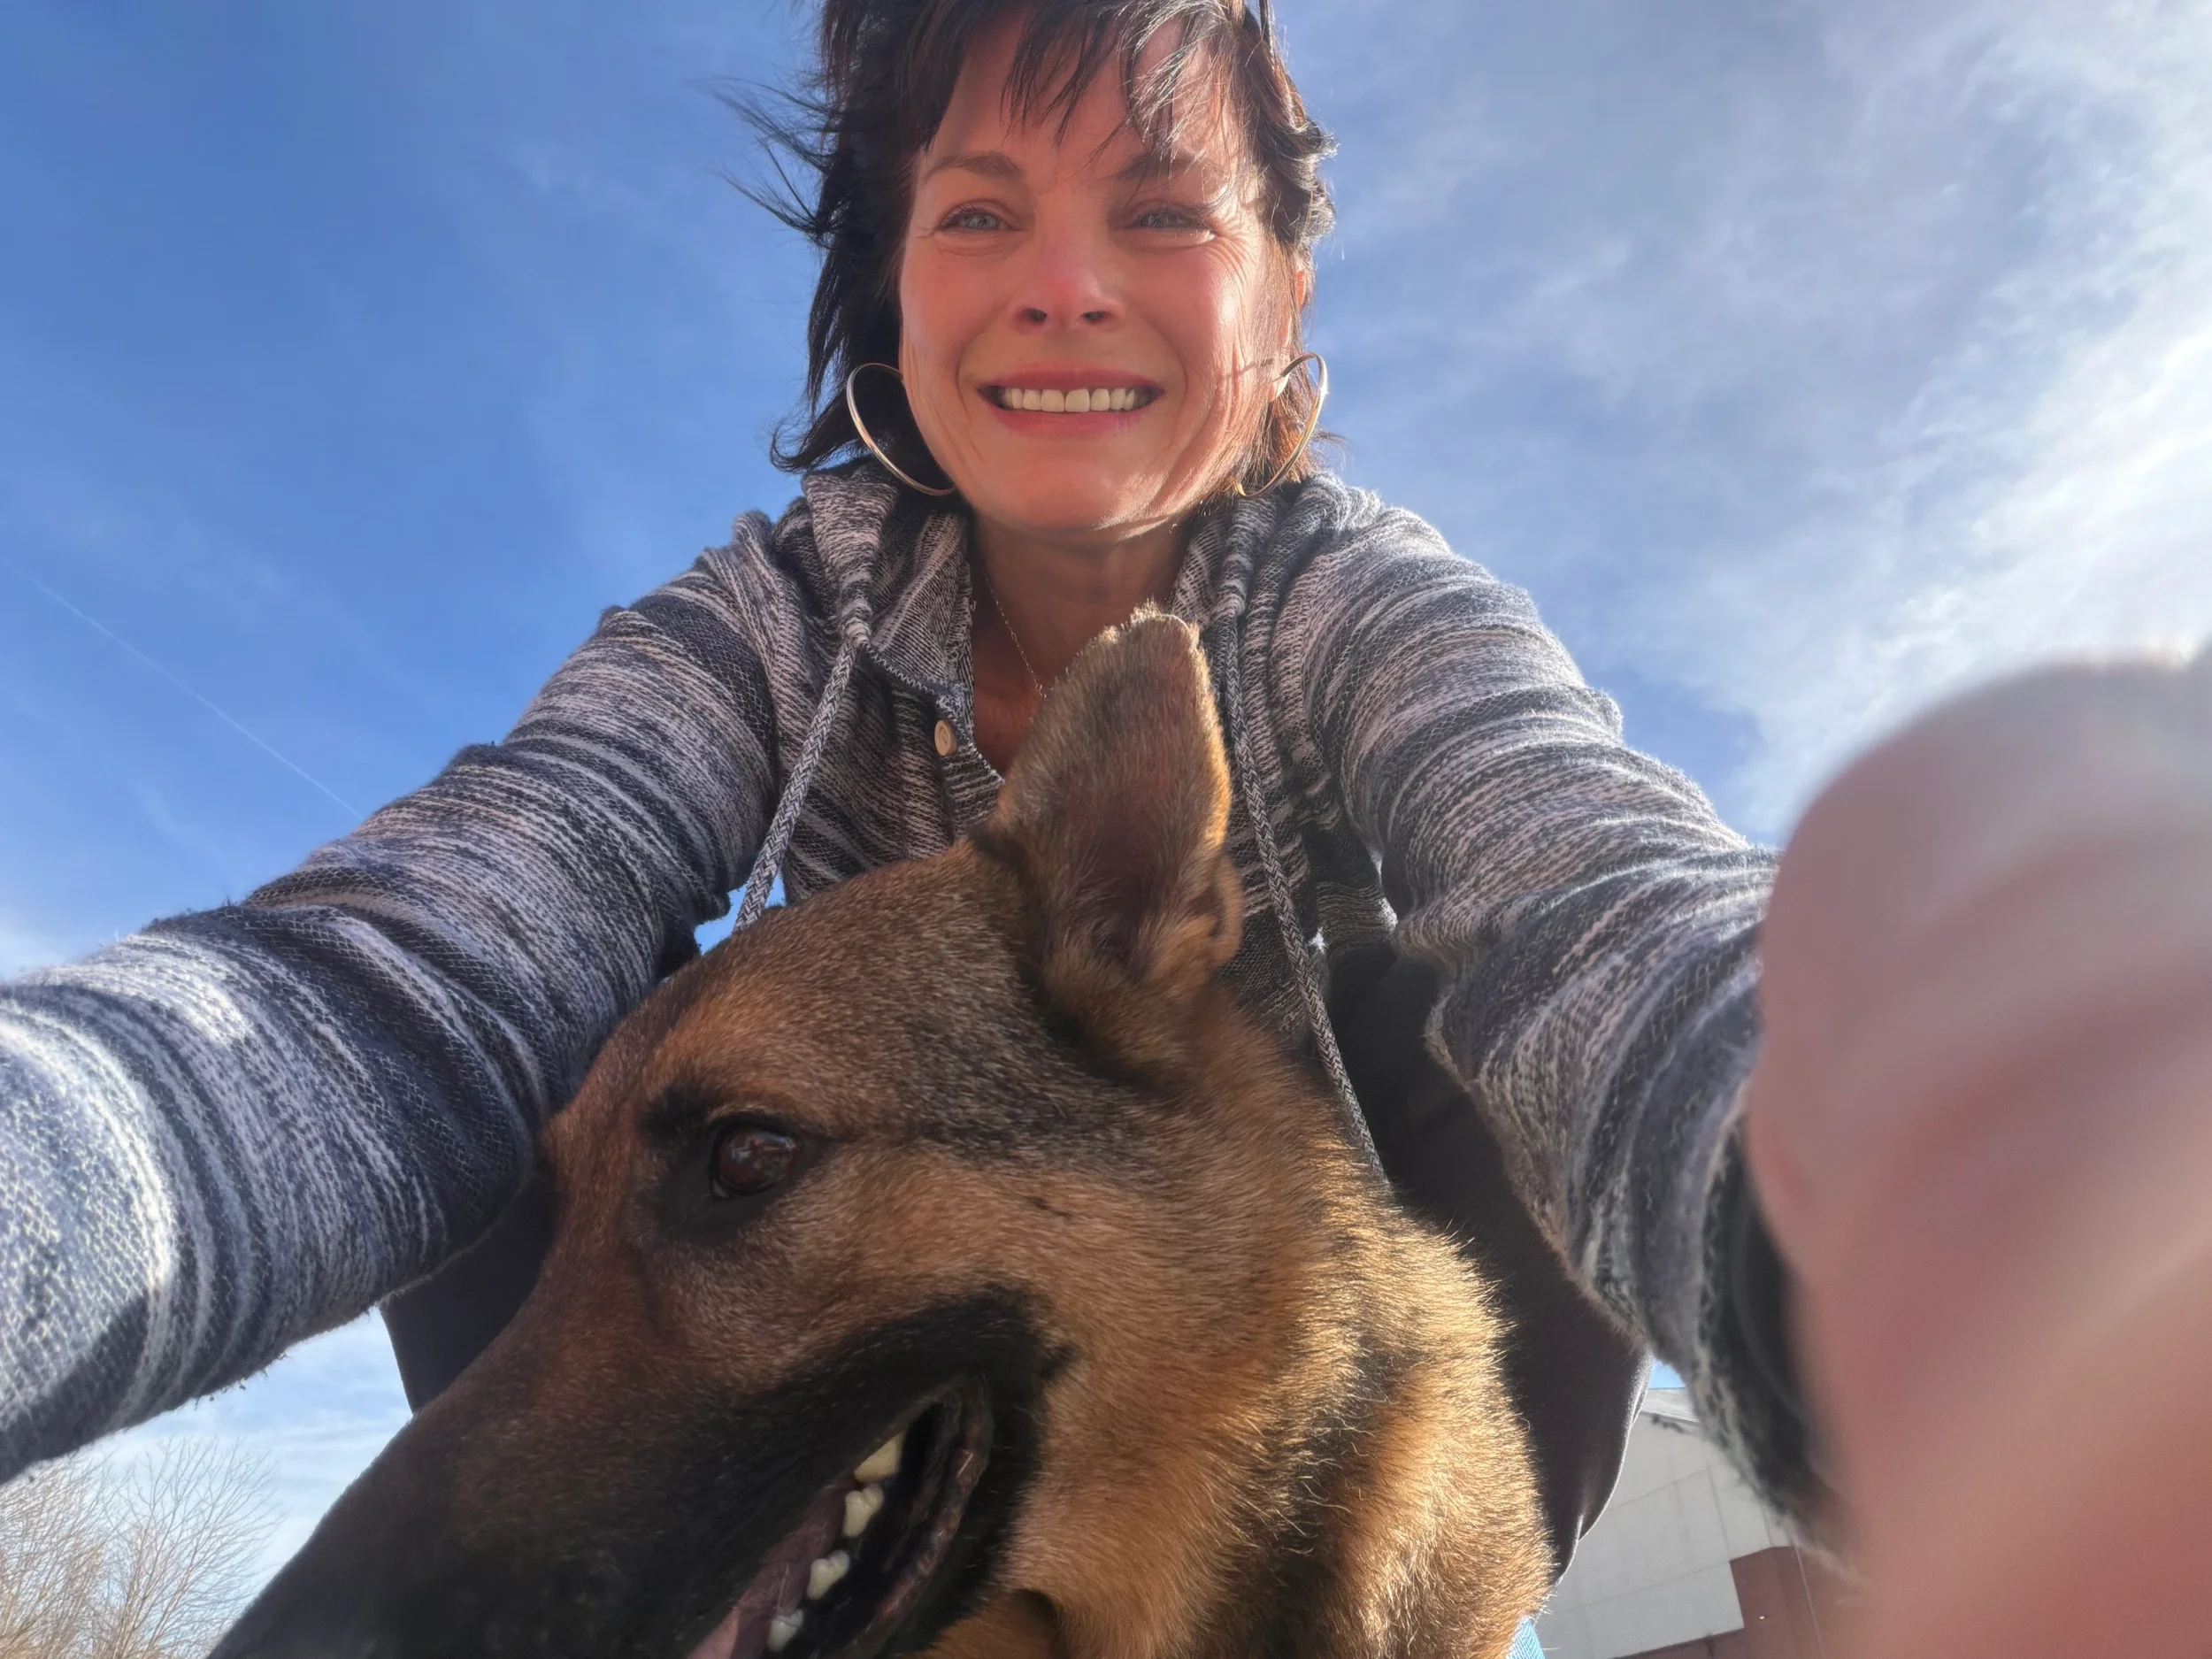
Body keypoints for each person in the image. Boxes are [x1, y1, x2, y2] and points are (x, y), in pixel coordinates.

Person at [0, 3, 2205, 1655]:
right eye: (979, 213)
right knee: (564, 1043)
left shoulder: (1358, 607)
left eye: (1159, 209)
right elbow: (392, 982)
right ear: (897, 289)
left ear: (1279, 293)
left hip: (1333, 1402)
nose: (1064, 283)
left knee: (1456, 1007)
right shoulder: (756, 631)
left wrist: (1950, 1221)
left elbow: (1600, 907)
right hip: (887, 1357)